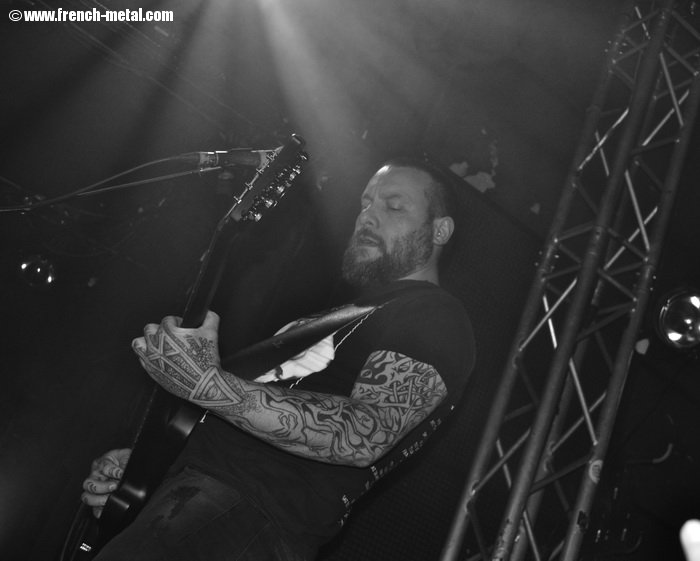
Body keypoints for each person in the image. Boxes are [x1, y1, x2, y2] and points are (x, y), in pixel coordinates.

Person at [81, 157, 476, 560]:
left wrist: (205, 383)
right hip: (192, 498)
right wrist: (147, 469)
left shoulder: (435, 316)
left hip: (246, 514)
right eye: (366, 202)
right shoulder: (341, 316)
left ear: (439, 230)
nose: (368, 216)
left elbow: (366, 432)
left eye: (394, 206)